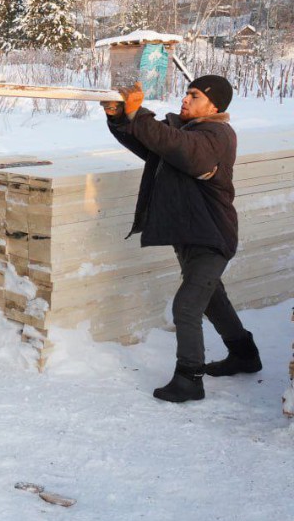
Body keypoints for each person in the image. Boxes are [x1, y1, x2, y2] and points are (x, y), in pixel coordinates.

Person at [104, 75, 261, 403]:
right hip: (191, 233)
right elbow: (150, 145)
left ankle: (190, 378)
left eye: (194, 95)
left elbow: (181, 150)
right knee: (212, 299)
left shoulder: (217, 135)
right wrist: (121, 118)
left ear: (214, 105)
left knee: (187, 305)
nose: (185, 99)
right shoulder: (188, 131)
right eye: (186, 93)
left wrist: (140, 113)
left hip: (212, 237)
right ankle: (244, 355)